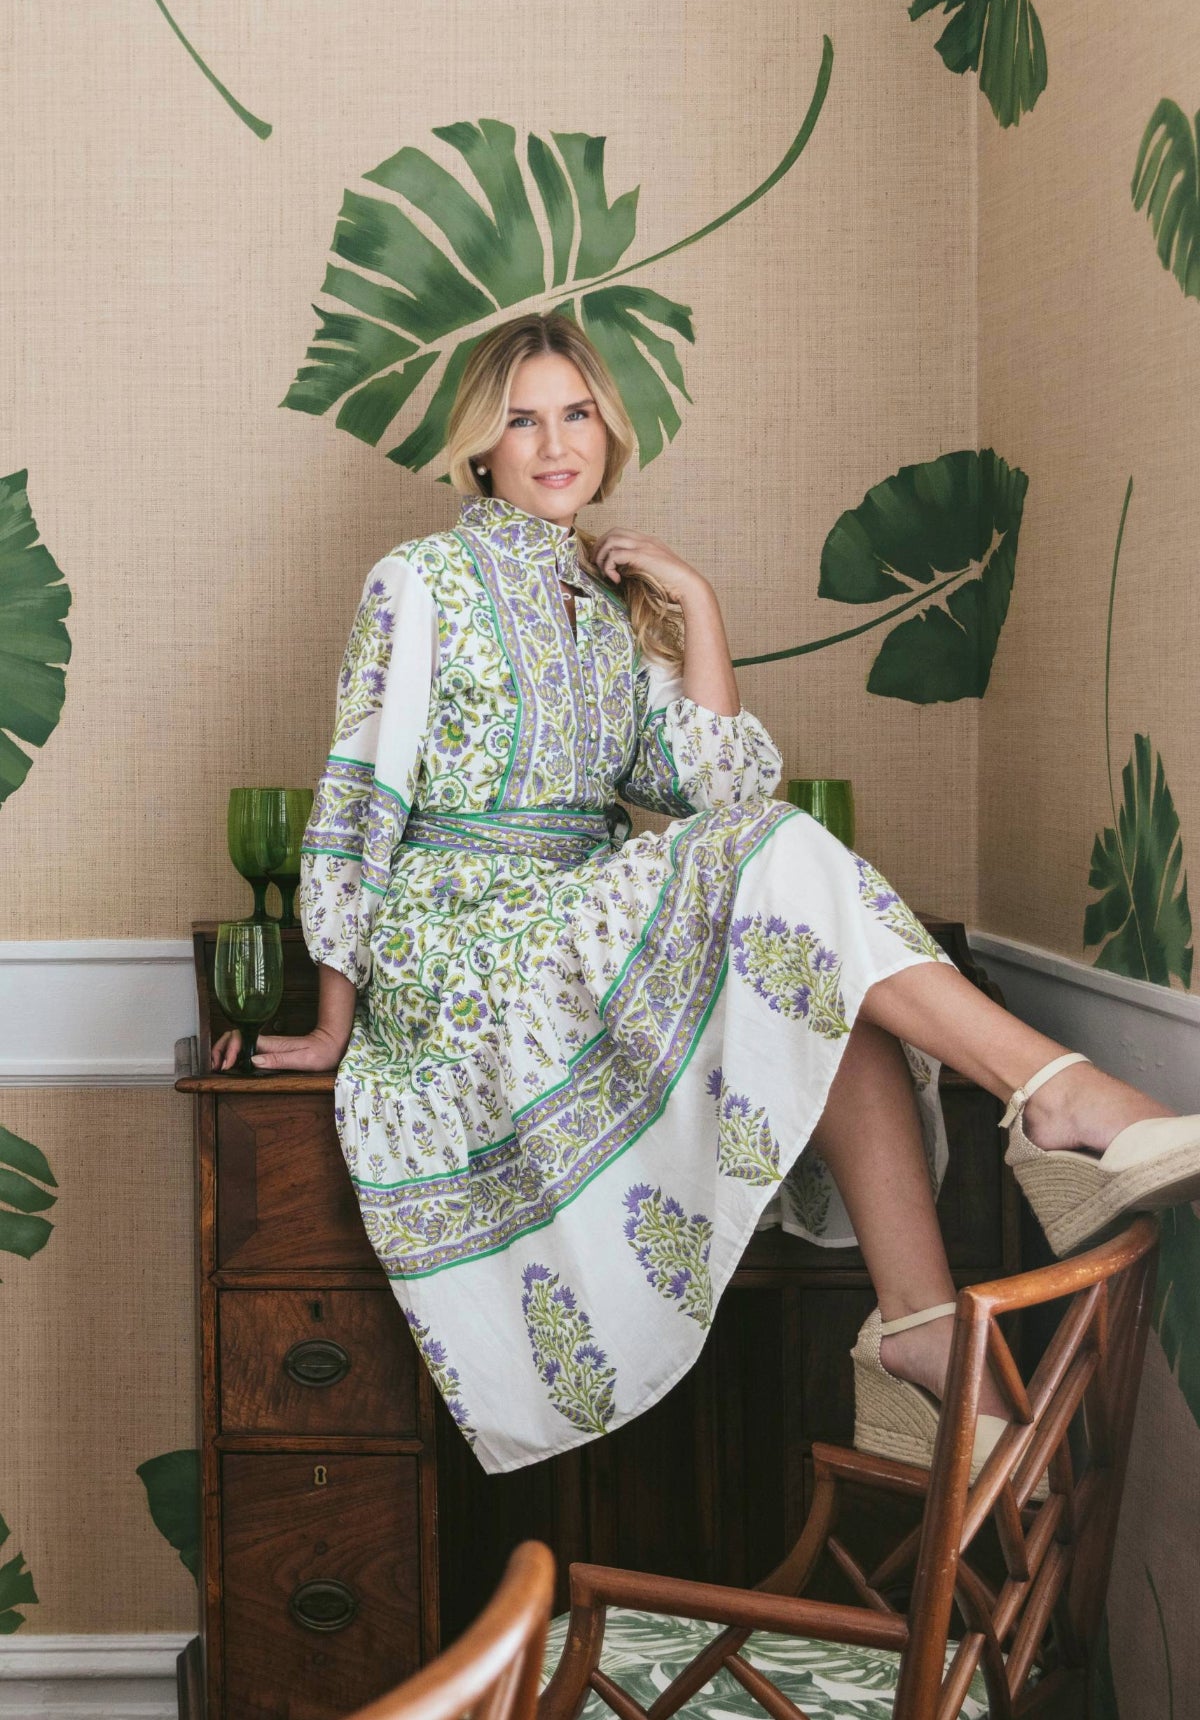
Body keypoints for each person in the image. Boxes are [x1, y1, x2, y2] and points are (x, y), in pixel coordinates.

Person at [213, 313, 1200, 1478]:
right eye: (522, 421)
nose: (554, 444)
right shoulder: (418, 580)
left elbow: (717, 790)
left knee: (817, 978)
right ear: (480, 447)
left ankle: (922, 1326)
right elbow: (362, 790)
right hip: (461, 939)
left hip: (576, 910)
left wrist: (696, 604)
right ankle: (1053, 1098)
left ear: (608, 431)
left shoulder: (605, 601)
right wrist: (335, 1017)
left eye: (576, 414)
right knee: (778, 869)